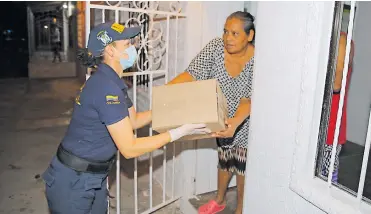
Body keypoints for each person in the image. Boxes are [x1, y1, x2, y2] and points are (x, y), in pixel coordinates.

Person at [41, 21, 211, 214]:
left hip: (94, 176)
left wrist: (173, 110)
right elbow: (129, 148)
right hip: (73, 181)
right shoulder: (106, 88)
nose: (134, 48)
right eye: (127, 45)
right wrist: (178, 132)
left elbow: (134, 120)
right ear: (110, 51)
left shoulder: (113, 82)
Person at [168, 11, 255, 214]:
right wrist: (166, 90)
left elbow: (248, 100)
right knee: (224, 159)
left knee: (242, 165)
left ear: (249, 36)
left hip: (247, 119)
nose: (227, 38)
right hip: (222, 117)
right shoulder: (216, 48)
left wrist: (235, 124)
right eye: (225, 32)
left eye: (235, 33)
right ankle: (219, 199)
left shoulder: (258, 60)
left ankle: (241, 208)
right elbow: (192, 73)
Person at [320, 31, 355, 183]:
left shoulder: (341, 39)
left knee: (325, 180)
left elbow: (336, 84)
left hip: (329, 125)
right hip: (325, 124)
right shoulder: (334, 37)